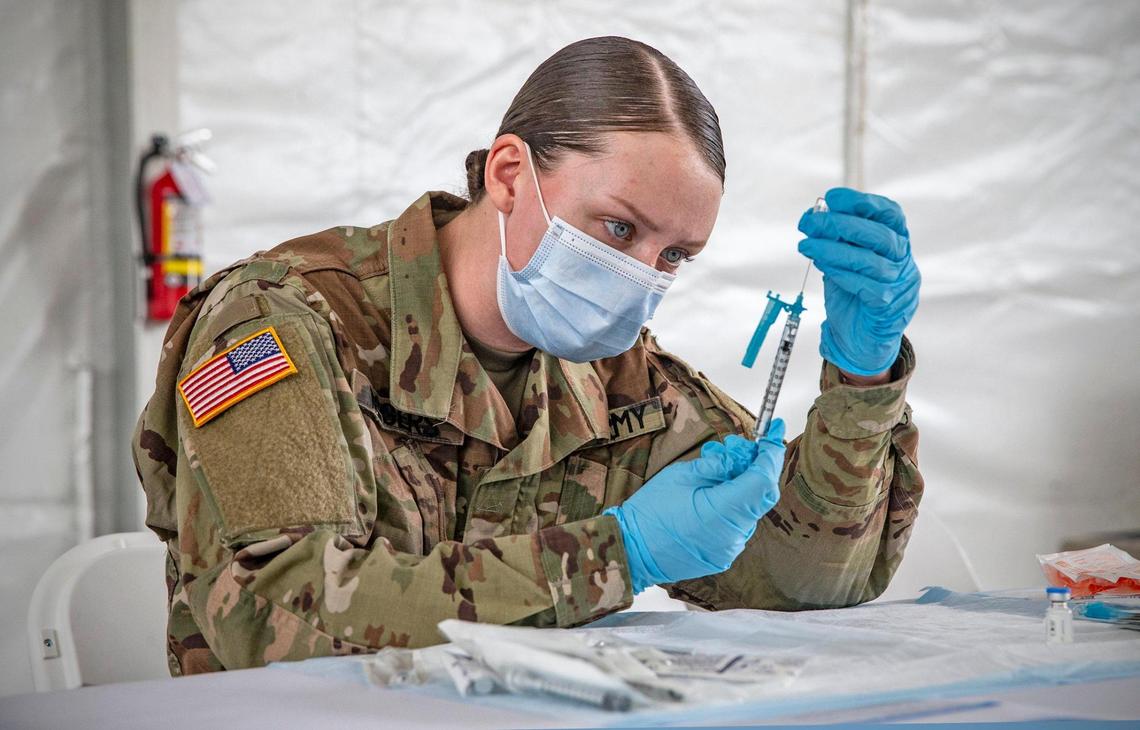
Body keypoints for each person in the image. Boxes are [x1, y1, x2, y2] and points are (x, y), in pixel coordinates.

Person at [133, 36, 923, 676]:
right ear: (510, 174)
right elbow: (278, 615)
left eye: (675, 255)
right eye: (619, 228)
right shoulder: (284, 323)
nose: (640, 276)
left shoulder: (616, 378)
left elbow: (808, 582)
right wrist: (620, 552)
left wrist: (861, 379)